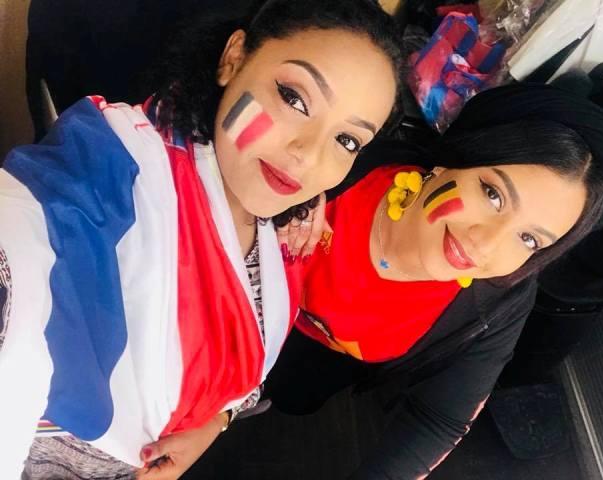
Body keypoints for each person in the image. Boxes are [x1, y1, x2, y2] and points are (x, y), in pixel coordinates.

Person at [0, 1, 404, 478]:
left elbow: (247, 369)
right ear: (234, 58)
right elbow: (29, 240)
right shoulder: (115, 167)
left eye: (346, 140)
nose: (308, 156)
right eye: (295, 99)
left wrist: (218, 420)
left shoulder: (288, 231)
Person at [265, 84, 603, 479]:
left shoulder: (497, 303)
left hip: (319, 361)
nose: (484, 244)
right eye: (493, 195)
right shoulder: (350, 162)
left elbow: (438, 419)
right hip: (236, 308)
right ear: (450, 162)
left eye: (529, 239)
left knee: (288, 394)